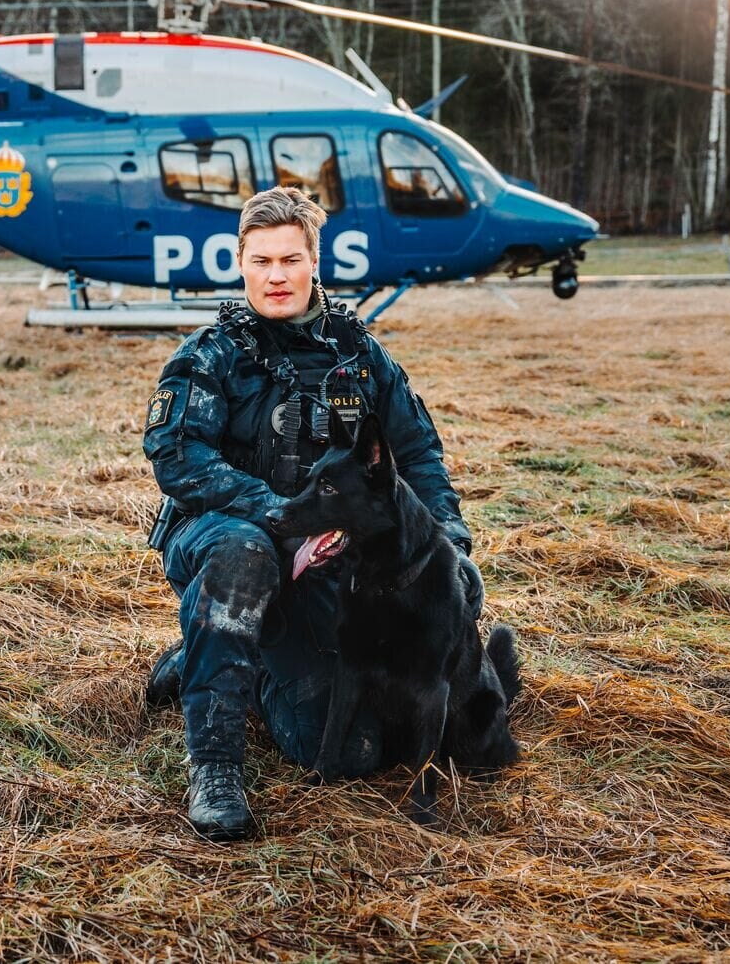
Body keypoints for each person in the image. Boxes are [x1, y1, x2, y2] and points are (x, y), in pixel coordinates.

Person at [140, 185, 482, 841]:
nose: (276, 275)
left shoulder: (359, 359)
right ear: (240, 262)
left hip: (324, 560)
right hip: (223, 541)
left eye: (291, 260)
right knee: (245, 554)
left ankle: (206, 655)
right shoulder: (212, 354)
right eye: (262, 260)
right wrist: (274, 511)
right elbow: (177, 456)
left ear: (315, 261)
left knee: (353, 750)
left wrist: (449, 543)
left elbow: (417, 456)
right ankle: (214, 764)